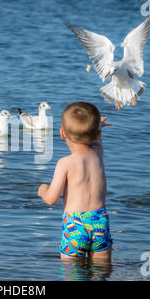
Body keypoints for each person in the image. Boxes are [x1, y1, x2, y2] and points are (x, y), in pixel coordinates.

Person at [38, 102, 113, 261]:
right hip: (100, 221)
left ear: (62, 133)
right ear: (97, 134)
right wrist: (98, 125)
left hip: (75, 224)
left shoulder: (65, 163)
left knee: (72, 272)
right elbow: (97, 140)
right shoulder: (98, 153)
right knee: (102, 270)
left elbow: (51, 199)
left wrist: (43, 190)